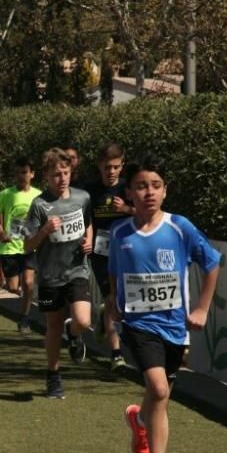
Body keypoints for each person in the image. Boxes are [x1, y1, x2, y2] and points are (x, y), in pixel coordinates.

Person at [111, 155, 220, 453]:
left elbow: (212, 262)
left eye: (156, 186)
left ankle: (139, 420)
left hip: (175, 328)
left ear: (165, 191)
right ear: (129, 192)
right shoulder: (120, 234)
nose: (149, 192)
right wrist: (111, 307)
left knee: (161, 399)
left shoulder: (179, 227)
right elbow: (113, 274)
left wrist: (202, 307)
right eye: (141, 186)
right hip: (139, 325)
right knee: (158, 389)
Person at [23, 148, 93, 399]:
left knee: (83, 320)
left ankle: (74, 333)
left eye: (65, 173)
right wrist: (43, 231)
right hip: (50, 275)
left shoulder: (82, 197)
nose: (61, 179)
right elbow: (26, 245)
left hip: (77, 270)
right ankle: (53, 376)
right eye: (55, 175)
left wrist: (89, 241)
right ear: (46, 176)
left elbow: (88, 222)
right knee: (52, 326)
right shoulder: (39, 205)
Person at [85, 142, 132, 370]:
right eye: (106, 167)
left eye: (115, 167)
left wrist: (127, 210)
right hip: (101, 254)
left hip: (127, 253)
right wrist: (87, 238)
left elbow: (146, 213)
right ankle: (116, 354)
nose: (111, 172)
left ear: (121, 166)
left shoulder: (128, 189)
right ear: (99, 166)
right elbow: (86, 219)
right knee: (112, 299)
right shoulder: (90, 191)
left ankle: (105, 316)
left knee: (123, 302)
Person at [0, 157, 42, 333]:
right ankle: (22, 301)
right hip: (10, 246)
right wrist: (0, 232)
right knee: (13, 287)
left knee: (28, 283)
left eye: (25, 172)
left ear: (32, 174)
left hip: (29, 246)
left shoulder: (38, 195)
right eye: (18, 172)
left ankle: (25, 318)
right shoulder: (5, 194)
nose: (21, 176)